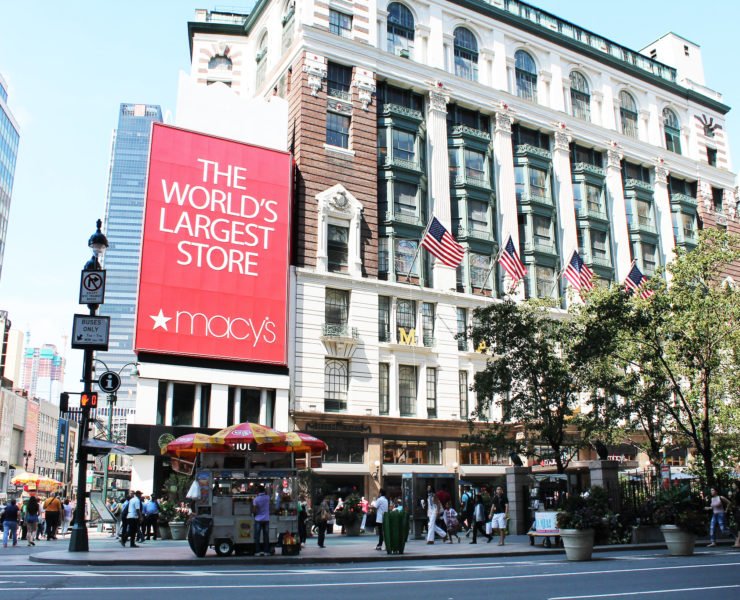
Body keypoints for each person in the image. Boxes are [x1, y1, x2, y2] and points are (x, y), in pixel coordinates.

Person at [253, 484, 271, 556]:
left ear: (258, 491)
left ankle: (258, 551)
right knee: (266, 536)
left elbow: (254, 510)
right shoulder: (268, 498)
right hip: (266, 519)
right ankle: (266, 551)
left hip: (258, 519)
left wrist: (255, 514)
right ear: (264, 490)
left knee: (257, 536)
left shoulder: (256, 499)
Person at [730, 481, 740, 548]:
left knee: (739, 527)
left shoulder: (738, 493)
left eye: (733, 484)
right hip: (737, 511)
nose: (732, 485)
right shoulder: (736, 493)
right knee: (739, 527)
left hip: (739, 511)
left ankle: (738, 542)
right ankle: (738, 541)